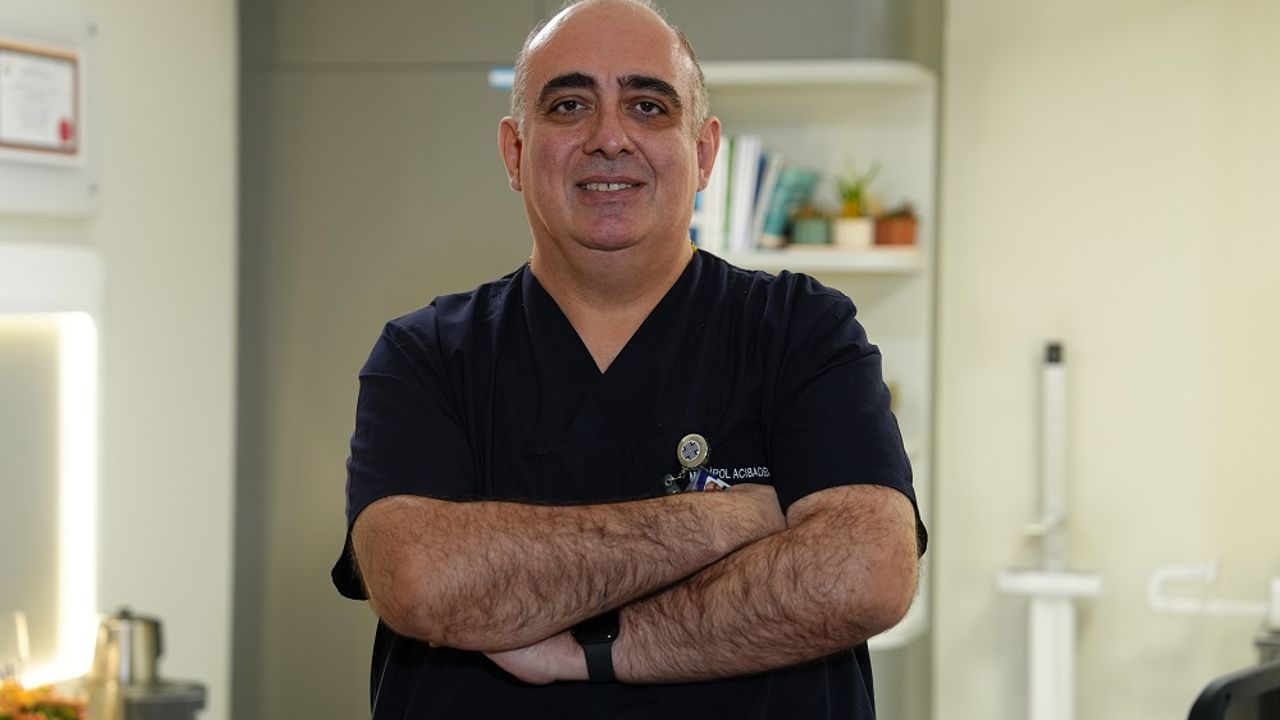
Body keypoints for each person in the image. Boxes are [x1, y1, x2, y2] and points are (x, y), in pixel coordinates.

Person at [331, 0, 927, 717]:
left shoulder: (801, 331)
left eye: (648, 106)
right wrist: (726, 521)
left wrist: (590, 649)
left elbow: (864, 573)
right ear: (515, 153)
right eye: (569, 105)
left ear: (703, 153)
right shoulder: (427, 354)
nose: (610, 138)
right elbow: (421, 581)